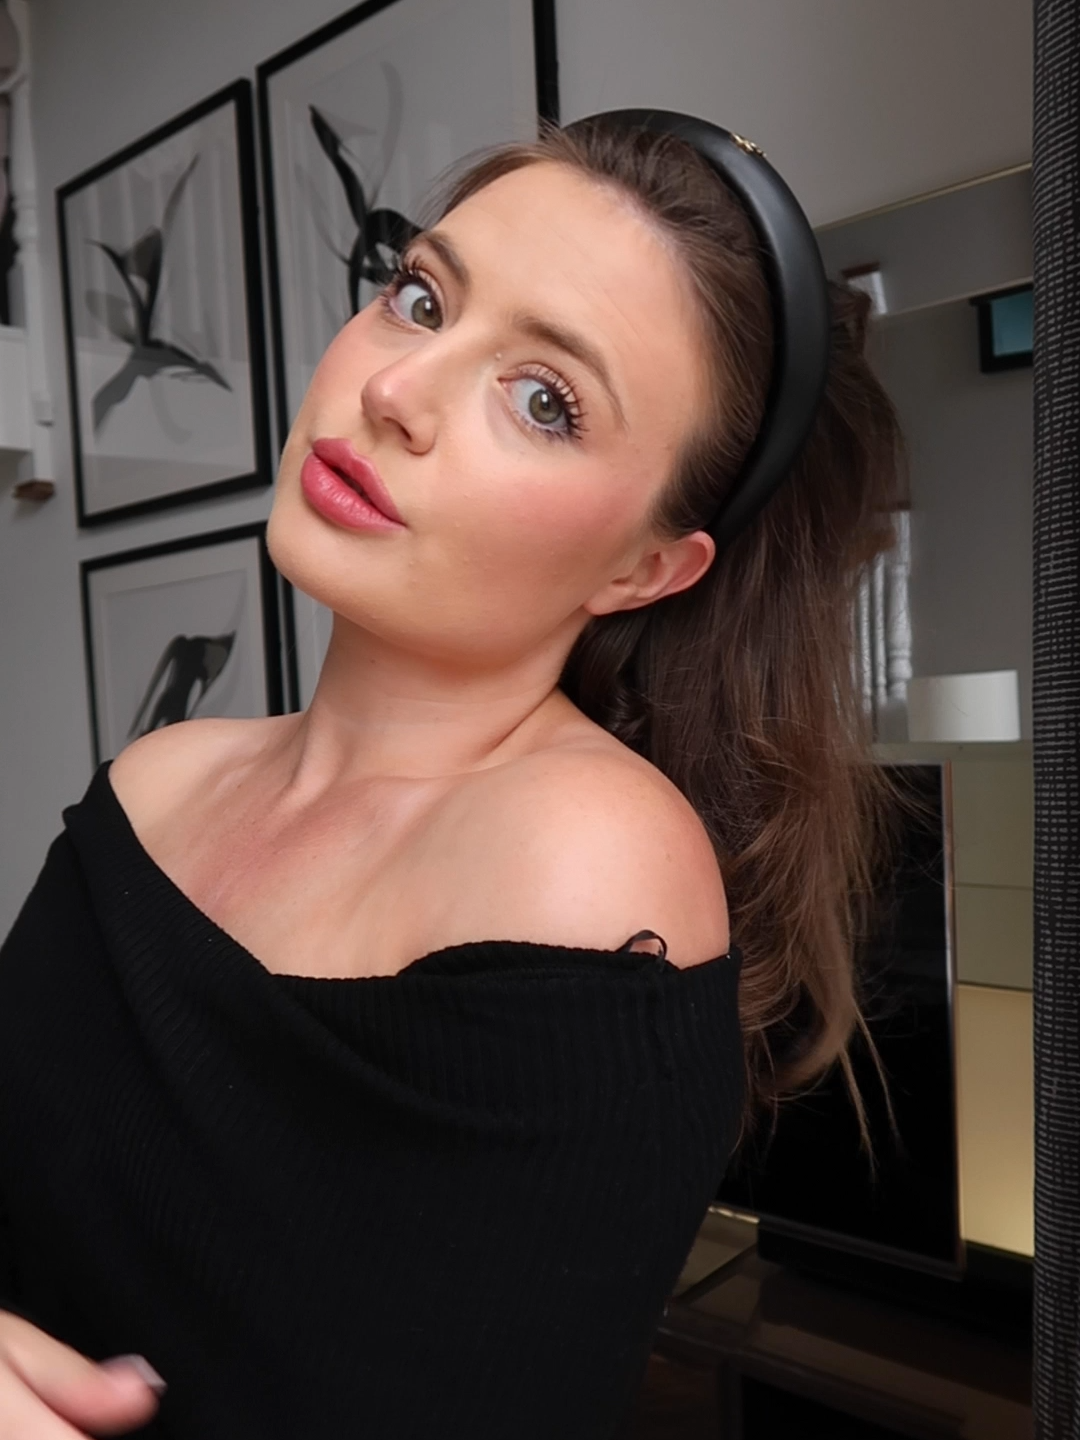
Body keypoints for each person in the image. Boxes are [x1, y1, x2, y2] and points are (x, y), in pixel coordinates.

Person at [0, 112, 907, 1438]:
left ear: (645, 568)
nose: (399, 390)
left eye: (545, 401)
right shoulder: (153, 786)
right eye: (421, 299)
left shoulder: (587, 857)